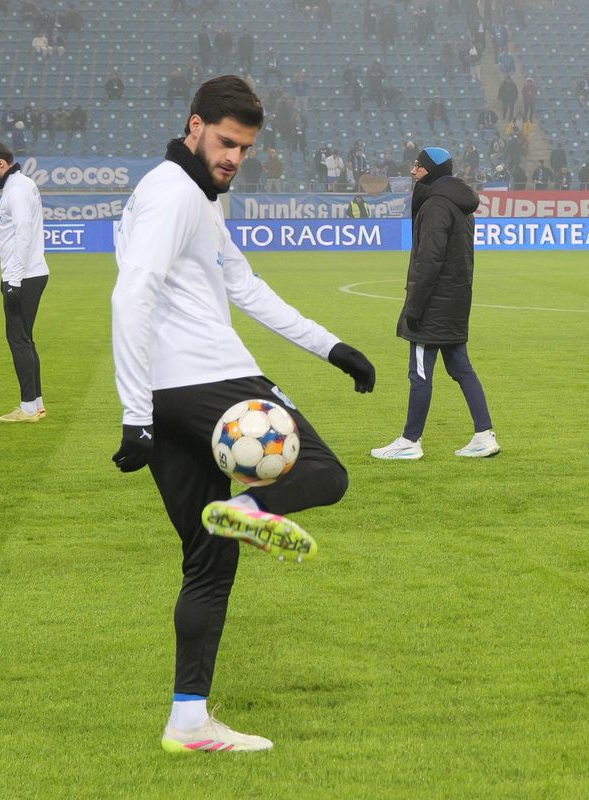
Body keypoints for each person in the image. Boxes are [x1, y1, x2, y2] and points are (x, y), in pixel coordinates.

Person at [110, 75, 376, 753]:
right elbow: (131, 292)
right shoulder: (173, 195)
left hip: (172, 397)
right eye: (226, 142)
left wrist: (330, 347)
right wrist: (130, 411)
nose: (234, 157)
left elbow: (243, 285)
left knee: (207, 562)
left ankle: (188, 721)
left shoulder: (196, 197)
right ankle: (252, 514)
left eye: (246, 148)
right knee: (324, 472)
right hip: (210, 378)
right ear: (194, 127)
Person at [371, 147, 499, 461]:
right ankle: (484, 434)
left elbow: (429, 259)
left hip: (433, 304)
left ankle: (410, 441)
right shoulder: (459, 204)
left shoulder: (435, 204)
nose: (413, 171)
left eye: (418, 166)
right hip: (455, 301)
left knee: (420, 373)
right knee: (461, 368)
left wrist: (414, 308)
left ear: (431, 171)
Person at [0, 142, 50, 423]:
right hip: (29, 273)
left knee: (18, 339)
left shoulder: (17, 190)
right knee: (25, 340)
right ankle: (37, 404)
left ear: (2, 163)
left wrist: (14, 279)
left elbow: (23, 233)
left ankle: (28, 408)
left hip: (24, 275)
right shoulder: (20, 185)